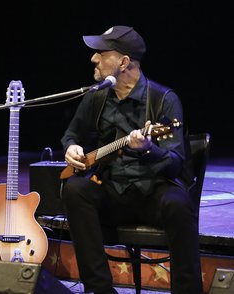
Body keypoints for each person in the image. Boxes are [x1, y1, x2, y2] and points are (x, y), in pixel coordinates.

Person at [61, 25, 202, 294]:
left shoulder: (164, 99)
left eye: (101, 53)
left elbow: (175, 163)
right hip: (114, 192)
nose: (94, 58)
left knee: (179, 204)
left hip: (154, 193)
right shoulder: (97, 96)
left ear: (124, 62)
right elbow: (71, 134)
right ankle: (99, 289)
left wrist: (148, 148)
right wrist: (72, 146)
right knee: (76, 190)